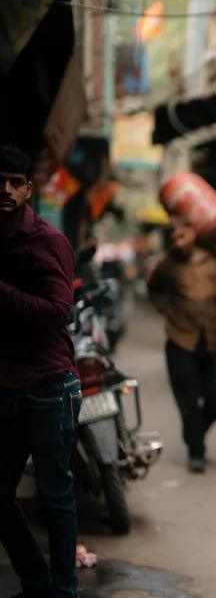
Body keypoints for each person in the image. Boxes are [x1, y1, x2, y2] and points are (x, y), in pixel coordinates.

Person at [0, 145, 83, 598]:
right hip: (4, 384)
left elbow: (58, 313)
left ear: (29, 188)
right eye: (0, 181)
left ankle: (63, 591)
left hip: (49, 386)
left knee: (55, 497)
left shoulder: (47, 240)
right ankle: (37, 580)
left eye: (15, 182)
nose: (6, 190)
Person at [147, 214, 216, 473]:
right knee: (187, 399)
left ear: (194, 232)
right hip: (181, 340)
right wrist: (167, 311)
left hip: (215, 338)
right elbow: (154, 289)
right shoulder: (168, 264)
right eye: (174, 237)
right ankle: (196, 451)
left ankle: (194, 433)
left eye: (182, 235)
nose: (178, 242)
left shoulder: (215, 257)